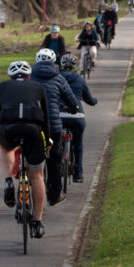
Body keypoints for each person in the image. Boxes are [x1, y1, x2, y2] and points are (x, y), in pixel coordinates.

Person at [0, 61, 50, 238]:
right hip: (34, 130)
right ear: (28, 76)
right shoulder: (38, 87)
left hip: (8, 129)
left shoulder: (2, 87)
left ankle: (8, 181)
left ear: (10, 77)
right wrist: (47, 139)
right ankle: (38, 222)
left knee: (5, 147)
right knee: (37, 176)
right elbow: (46, 117)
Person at [31, 48, 80, 206]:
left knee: (32, 157)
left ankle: (30, 186)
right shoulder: (58, 78)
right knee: (55, 160)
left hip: (34, 124)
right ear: (54, 62)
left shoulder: (30, 76)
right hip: (53, 126)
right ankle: (54, 195)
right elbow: (71, 99)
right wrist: (74, 108)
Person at [59, 54, 98, 183]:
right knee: (78, 144)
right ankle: (78, 174)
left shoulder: (57, 78)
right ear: (75, 66)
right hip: (77, 116)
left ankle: (57, 168)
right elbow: (89, 99)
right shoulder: (80, 80)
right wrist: (94, 101)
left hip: (60, 115)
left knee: (54, 142)